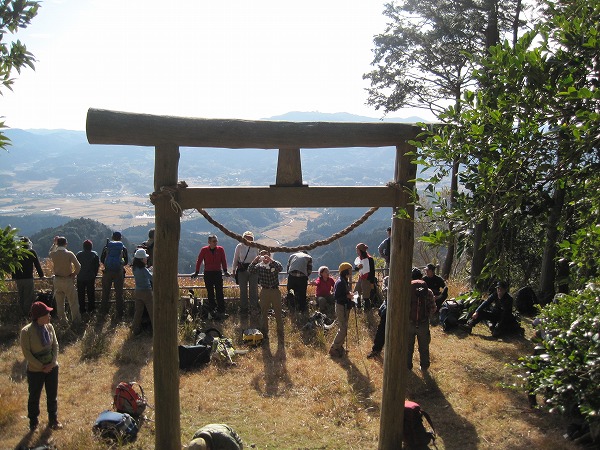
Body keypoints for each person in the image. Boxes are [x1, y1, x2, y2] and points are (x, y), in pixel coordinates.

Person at [20, 301, 62, 431]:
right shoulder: (26, 332)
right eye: (47, 314)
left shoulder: (50, 327)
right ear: (39, 316)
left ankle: (53, 420)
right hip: (35, 370)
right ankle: (33, 422)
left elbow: (55, 346)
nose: (49, 316)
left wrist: (52, 363)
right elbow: (27, 354)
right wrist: (41, 366)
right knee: (34, 396)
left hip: (52, 367)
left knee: (52, 395)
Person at [248, 250, 284, 342]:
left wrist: (271, 260)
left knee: (278, 311)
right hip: (264, 290)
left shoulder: (274, 264)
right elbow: (250, 270)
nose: (264, 256)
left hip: (275, 290)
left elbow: (280, 268)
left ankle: (280, 330)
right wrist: (255, 260)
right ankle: (265, 331)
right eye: (262, 255)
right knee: (264, 312)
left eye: (266, 254)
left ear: (269, 255)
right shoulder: (259, 266)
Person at [192, 234, 230, 315]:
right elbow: (199, 261)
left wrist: (225, 271)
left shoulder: (220, 249)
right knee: (210, 292)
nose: (216, 242)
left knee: (219, 292)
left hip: (217, 273)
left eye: (216, 241)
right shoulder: (204, 250)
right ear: (209, 242)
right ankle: (212, 310)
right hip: (208, 273)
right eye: (214, 241)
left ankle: (221, 310)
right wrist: (197, 272)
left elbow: (223, 260)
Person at [408, 267, 436, 370]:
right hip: (423, 323)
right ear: (421, 277)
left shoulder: (407, 290)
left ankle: (407, 366)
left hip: (409, 323)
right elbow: (433, 308)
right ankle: (424, 366)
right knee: (424, 347)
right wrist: (426, 315)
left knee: (408, 347)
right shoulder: (428, 291)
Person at [49, 236, 81, 324]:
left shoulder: (54, 254)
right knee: (73, 302)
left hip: (57, 280)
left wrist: (54, 244)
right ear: (66, 244)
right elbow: (78, 266)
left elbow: (50, 251)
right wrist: (74, 274)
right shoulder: (69, 254)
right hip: (68, 280)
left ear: (57, 244)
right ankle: (76, 321)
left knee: (59, 304)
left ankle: (63, 321)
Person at [12, 237, 45, 317]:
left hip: (18, 279)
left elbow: (13, 266)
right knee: (28, 298)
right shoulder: (31, 252)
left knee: (21, 297)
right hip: (28, 278)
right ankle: (27, 315)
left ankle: (21, 314)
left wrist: (14, 276)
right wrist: (41, 275)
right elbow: (37, 265)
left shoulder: (16, 253)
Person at [329, 262, 355, 358]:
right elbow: (337, 296)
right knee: (343, 328)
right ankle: (334, 348)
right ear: (345, 271)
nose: (351, 271)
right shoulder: (341, 282)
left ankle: (339, 346)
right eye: (350, 270)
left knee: (343, 327)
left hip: (343, 306)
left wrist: (348, 294)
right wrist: (348, 296)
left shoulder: (343, 280)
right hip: (341, 306)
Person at [100, 231, 129, 319]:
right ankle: (119, 314)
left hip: (107, 272)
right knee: (119, 293)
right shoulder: (123, 248)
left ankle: (103, 313)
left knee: (105, 292)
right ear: (120, 238)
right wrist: (120, 263)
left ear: (112, 237)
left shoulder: (107, 246)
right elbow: (126, 261)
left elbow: (102, 259)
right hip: (119, 272)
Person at [231, 231, 260, 315]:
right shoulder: (239, 246)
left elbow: (258, 258)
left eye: (250, 238)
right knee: (243, 290)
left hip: (254, 270)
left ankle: (253, 308)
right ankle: (244, 308)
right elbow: (235, 259)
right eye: (247, 238)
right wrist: (233, 270)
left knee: (253, 289)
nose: (248, 239)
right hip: (242, 270)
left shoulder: (255, 247)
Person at [131, 248, 154, 335]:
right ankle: (156, 330)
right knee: (152, 311)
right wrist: (152, 271)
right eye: (145, 258)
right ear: (141, 259)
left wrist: (149, 270)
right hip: (146, 292)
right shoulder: (144, 269)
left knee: (138, 311)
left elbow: (143, 274)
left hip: (137, 291)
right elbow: (151, 278)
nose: (146, 258)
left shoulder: (134, 268)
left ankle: (135, 329)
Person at [76, 239, 100, 315]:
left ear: (83, 247)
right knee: (91, 294)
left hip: (80, 277)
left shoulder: (79, 254)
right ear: (91, 246)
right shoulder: (94, 254)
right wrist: (94, 274)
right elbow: (97, 266)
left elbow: (76, 265)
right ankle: (91, 310)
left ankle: (82, 310)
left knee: (81, 294)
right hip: (90, 277)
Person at [367, 276, 389, 359]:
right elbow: (385, 292)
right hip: (387, 309)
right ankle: (376, 350)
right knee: (381, 330)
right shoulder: (387, 279)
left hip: (400, 309)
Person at [354, 243, 375, 309]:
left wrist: (371, 282)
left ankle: (367, 309)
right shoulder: (359, 259)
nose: (356, 252)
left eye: (357, 250)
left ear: (361, 251)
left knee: (366, 296)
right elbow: (356, 268)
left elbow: (372, 271)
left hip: (367, 279)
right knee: (356, 292)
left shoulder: (370, 259)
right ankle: (358, 306)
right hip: (361, 278)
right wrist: (358, 267)